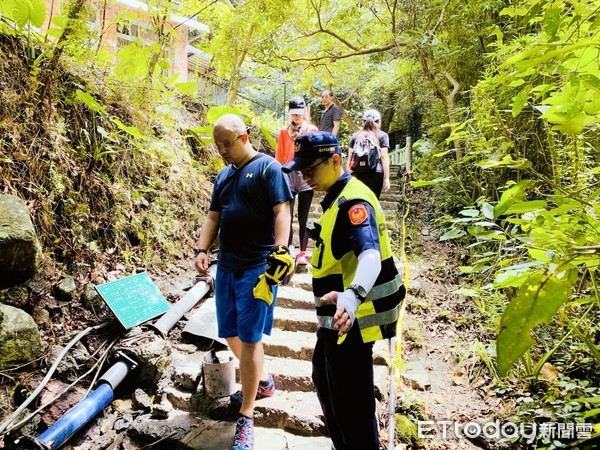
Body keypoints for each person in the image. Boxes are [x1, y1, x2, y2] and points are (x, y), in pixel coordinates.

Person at [282, 131, 405, 450]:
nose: (305, 177)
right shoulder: (337, 196)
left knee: (351, 407)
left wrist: (351, 298)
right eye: (301, 172)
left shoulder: (352, 200)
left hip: (350, 324)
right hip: (337, 323)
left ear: (336, 160)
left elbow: (370, 256)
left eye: (311, 170)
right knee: (325, 381)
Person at [194, 114, 294, 450]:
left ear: (244, 136)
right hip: (228, 267)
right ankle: (263, 380)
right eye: (218, 144)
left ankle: (247, 415)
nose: (221, 150)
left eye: (227, 143)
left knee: (250, 339)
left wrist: (282, 248)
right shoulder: (223, 176)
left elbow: (282, 210)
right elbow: (213, 217)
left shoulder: (268, 168)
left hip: (258, 268)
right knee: (230, 333)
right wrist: (202, 248)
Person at [274, 96, 318, 265]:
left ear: (304, 112)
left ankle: (303, 252)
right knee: (287, 214)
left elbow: (315, 154)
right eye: (293, 114)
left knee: (303, 217)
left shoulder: (312, 130)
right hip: (288, 174)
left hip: (306, 175)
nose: (296, 117)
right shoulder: (284, 131)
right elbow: (279, 155)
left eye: (299, 113)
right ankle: (289, 248)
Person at [347, 109, 391, 199]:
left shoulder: (355, 136)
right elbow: (384, 156)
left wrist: (348, 173)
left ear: (363, 122)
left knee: (358, 201)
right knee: (373, 202)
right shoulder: (382, 135)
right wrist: (387, 179)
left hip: (357, 172)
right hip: (376, 172)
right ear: (379, 122)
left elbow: (350, 156)